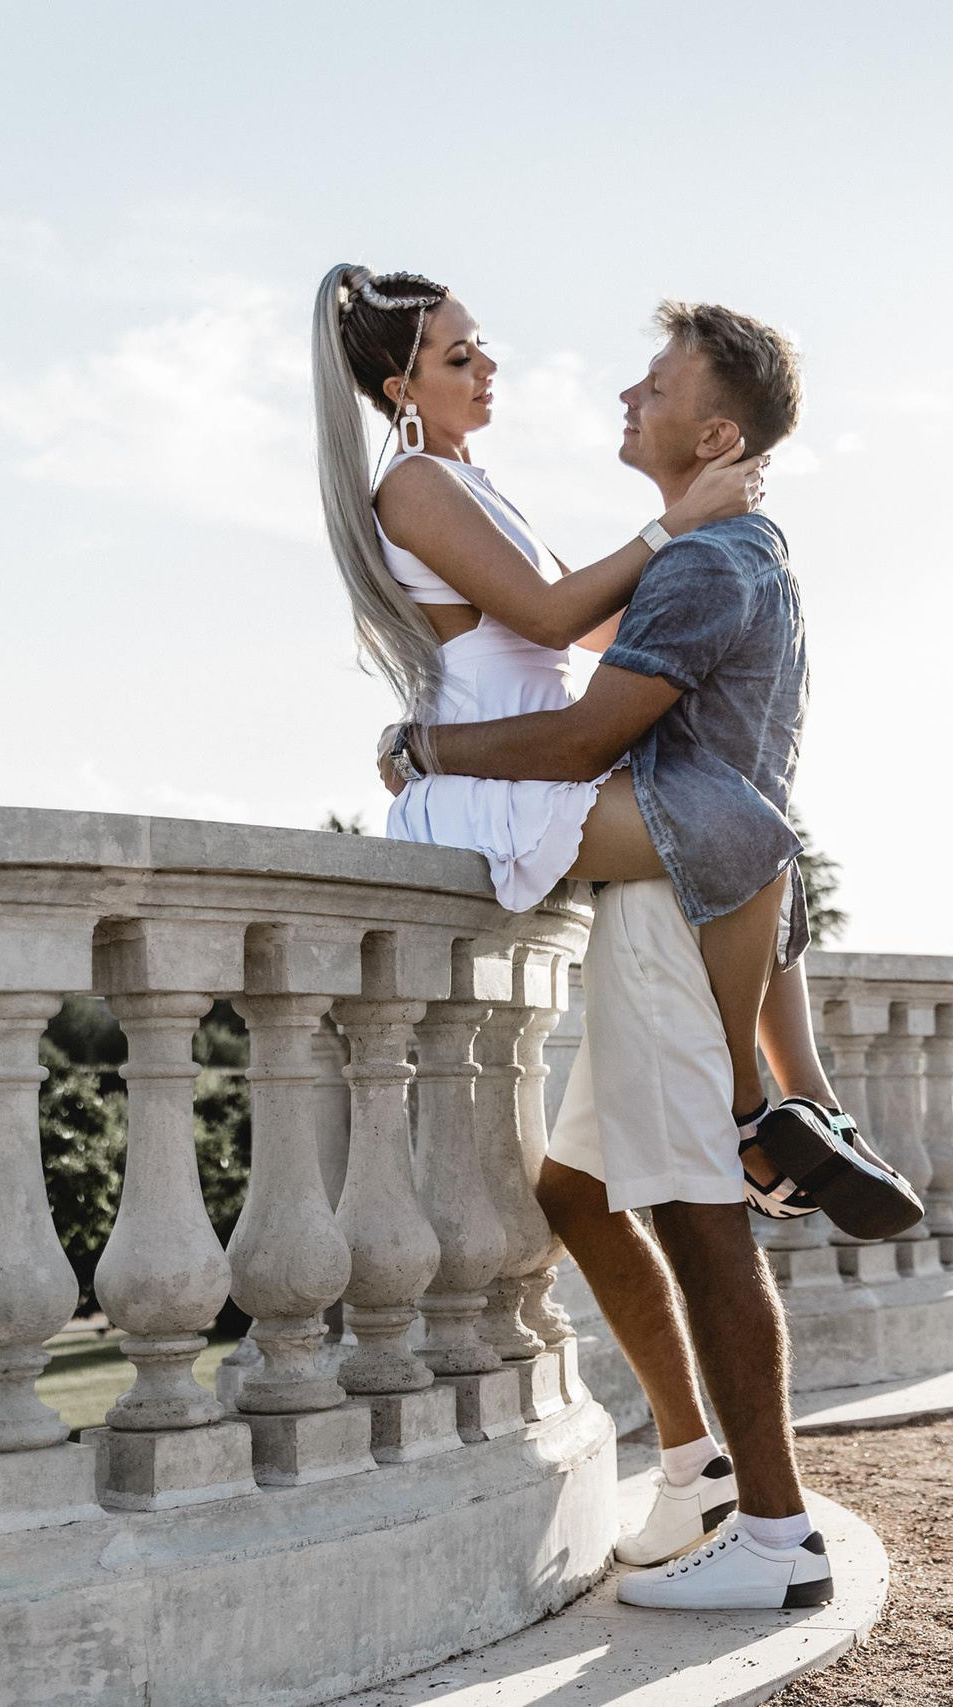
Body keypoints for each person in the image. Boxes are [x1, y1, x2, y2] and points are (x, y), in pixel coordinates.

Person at [359, 295, 891, 1610]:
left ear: (713, 430)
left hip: (662, 909)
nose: (624, 397)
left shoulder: (711, 560)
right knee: (581, 1190)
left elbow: (579, 738)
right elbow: (570, 635)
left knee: (700, 1215)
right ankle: (699, 1459)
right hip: (685, 886)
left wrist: (426, 750)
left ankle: (772, 1538)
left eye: (653, 386)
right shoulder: (712, 550)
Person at [314, 264, 831, 1190]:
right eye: (459, 356)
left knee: (751, 823)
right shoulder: (416, 486)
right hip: (493, 775)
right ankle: (750, 1110)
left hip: (545, 765)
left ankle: (814, 1108)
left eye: (482, 346)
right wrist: (675, 524)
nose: (487, 367)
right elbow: (552, 618)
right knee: (744, 833)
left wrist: (712, 575)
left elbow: (593, 625)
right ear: (402, 391)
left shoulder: (474, 485)